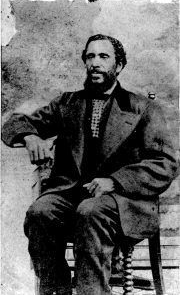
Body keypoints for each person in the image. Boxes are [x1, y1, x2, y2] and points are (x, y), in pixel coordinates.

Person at [2, 34, 178, 295]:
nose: (95, 63)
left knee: (90, 211)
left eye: (103, 57)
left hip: (123, 200)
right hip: (71, 194)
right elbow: (12, 123)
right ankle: (55, 290)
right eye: (90, 56)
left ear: (118, 66)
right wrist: (30, 137)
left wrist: (115, 181)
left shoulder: (143, 108)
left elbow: (164, 163)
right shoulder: (67, 104)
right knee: (40, 213)